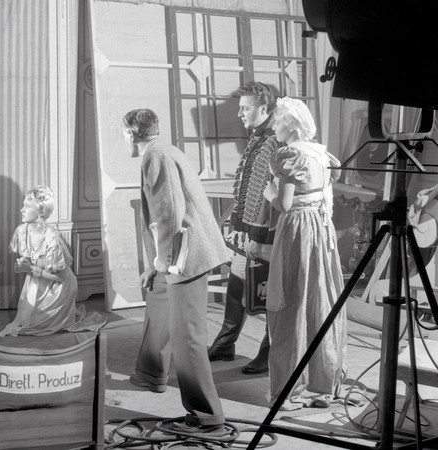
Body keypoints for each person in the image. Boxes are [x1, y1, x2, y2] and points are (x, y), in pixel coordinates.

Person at [122, 108, 231, 436]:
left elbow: (169, 211)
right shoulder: (163, 150)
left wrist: (161, 261)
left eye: (123, 133)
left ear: (132, 133)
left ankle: (208, 417)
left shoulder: (156, 156)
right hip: (179, 252)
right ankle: (151, 375)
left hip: (186, 255)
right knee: (159, 303)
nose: (123, 138)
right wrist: (156, 264)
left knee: (187, 336)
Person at [264, 97, 347, 410]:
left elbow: (284, 204)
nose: (273, 126)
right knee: (320, 299)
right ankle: (322, 383)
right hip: (321, 228)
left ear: (291, 124)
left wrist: (269, 192)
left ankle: (289, 390)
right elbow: (333, 175)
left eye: (278, 121)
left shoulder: (289, 154)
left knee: (291, 301)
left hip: (299, 228)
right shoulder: (320, 151)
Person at [207, 81, 280, 375]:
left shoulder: (278, 141)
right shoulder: (257, 139)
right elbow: (247, 187)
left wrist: (256, 231)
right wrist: (239, 226)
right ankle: (225, 344)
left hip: (268, 233)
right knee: (236, 284)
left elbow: (270, 193)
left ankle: (268, 353)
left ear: (264, 108)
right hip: (247, 229)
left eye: (245, 108)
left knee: (272, 295)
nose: (240, 114)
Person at [0, 186, 107, 337]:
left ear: (41, 211)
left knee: (39, 326)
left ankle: (59, 312)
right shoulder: (22, 231)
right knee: (27, 321)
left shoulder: (51, 238)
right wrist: (22, 266)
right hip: (38, 282)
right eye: (23, 205)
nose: (22, 209)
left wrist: (31, 269)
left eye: (27, 206)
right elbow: (32, 260)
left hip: (59, 286)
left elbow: (60, 276)